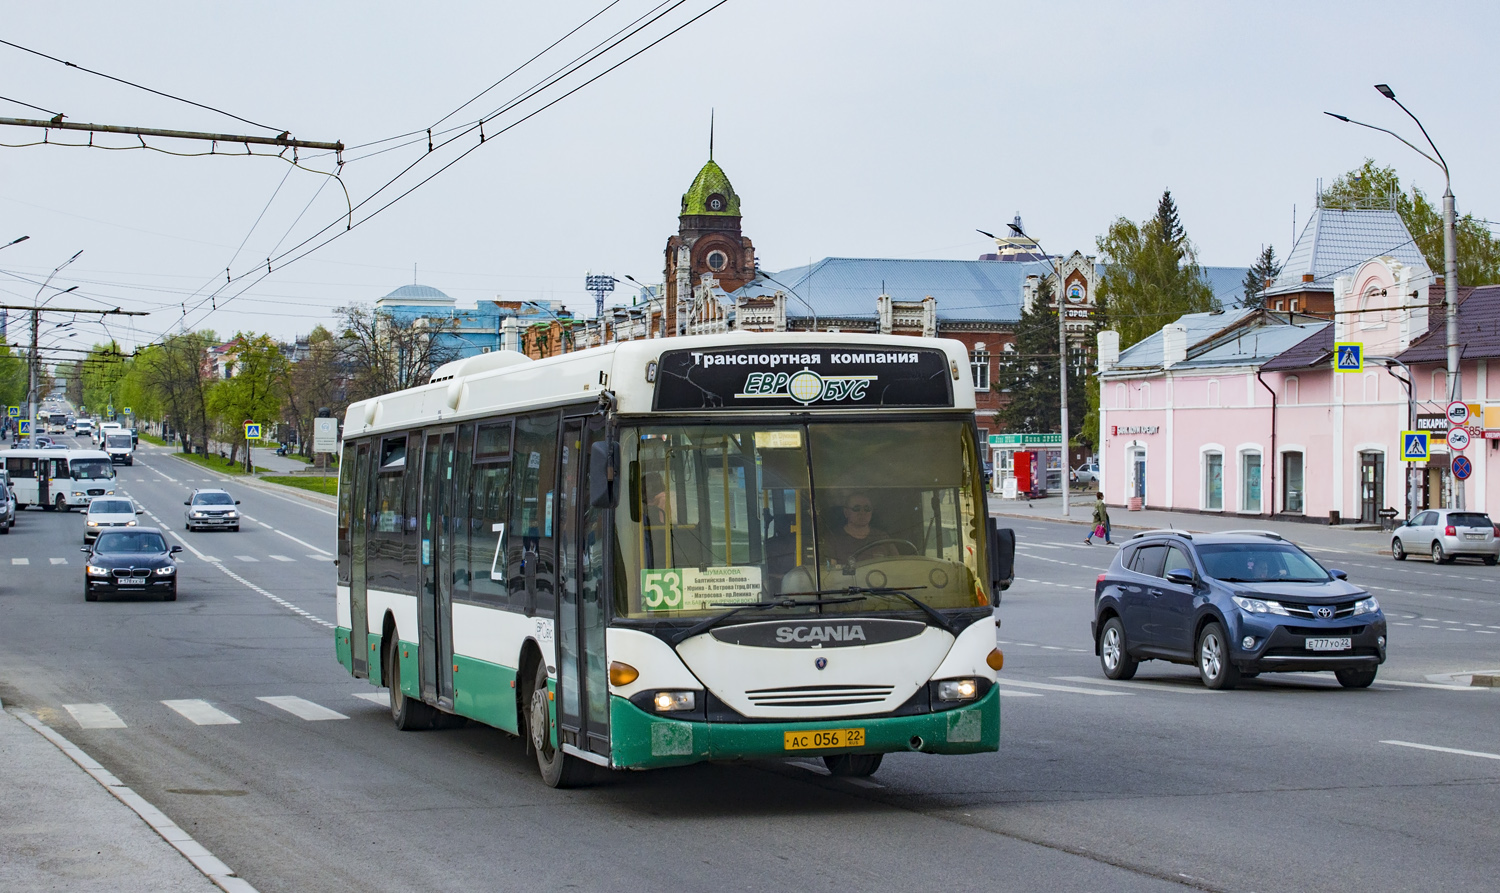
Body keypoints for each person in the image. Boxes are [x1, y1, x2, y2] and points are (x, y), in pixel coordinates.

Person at [823, 490, 897, 565]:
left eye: (867, 508)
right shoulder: (833, 538)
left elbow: (898, 565)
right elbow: (830, 572)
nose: (862, 512)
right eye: (856, 508)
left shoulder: (882, 538)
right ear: (846, 512)